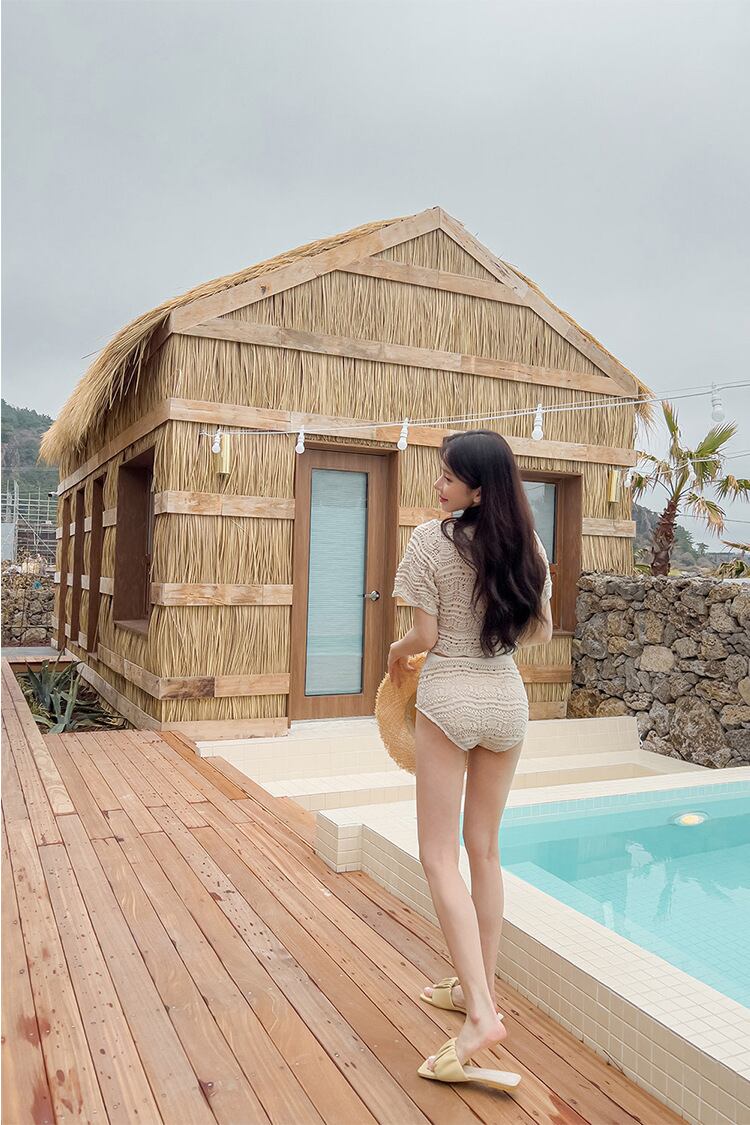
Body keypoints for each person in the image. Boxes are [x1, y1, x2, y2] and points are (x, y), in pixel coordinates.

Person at [388, 429, 553, 1090]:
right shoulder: (528, 545)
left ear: (479, 489)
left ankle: (481, 1014)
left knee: (438, 856)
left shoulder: (431, 542)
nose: (439, 485)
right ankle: (472, 987)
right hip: (506, 701)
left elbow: (425, 635)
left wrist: (396, 653)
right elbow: (537, 628)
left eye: (449, 476)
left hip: (449, 696)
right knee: (484, 849)